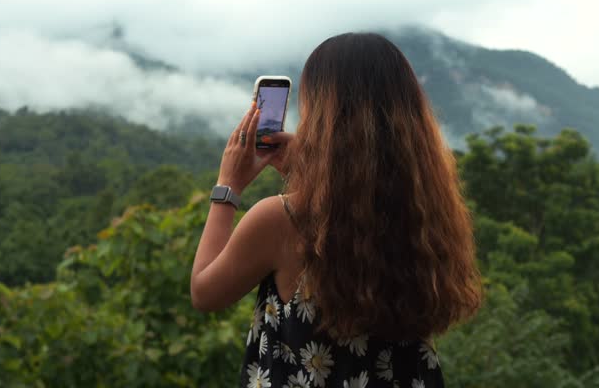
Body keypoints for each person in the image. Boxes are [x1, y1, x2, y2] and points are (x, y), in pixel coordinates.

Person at [191, 32, 482, 388]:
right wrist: (313, 176)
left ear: (323, 119)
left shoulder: (283, 220)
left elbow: (205, 293)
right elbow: (353, 212)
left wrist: (228, 188)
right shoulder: (424, 216)